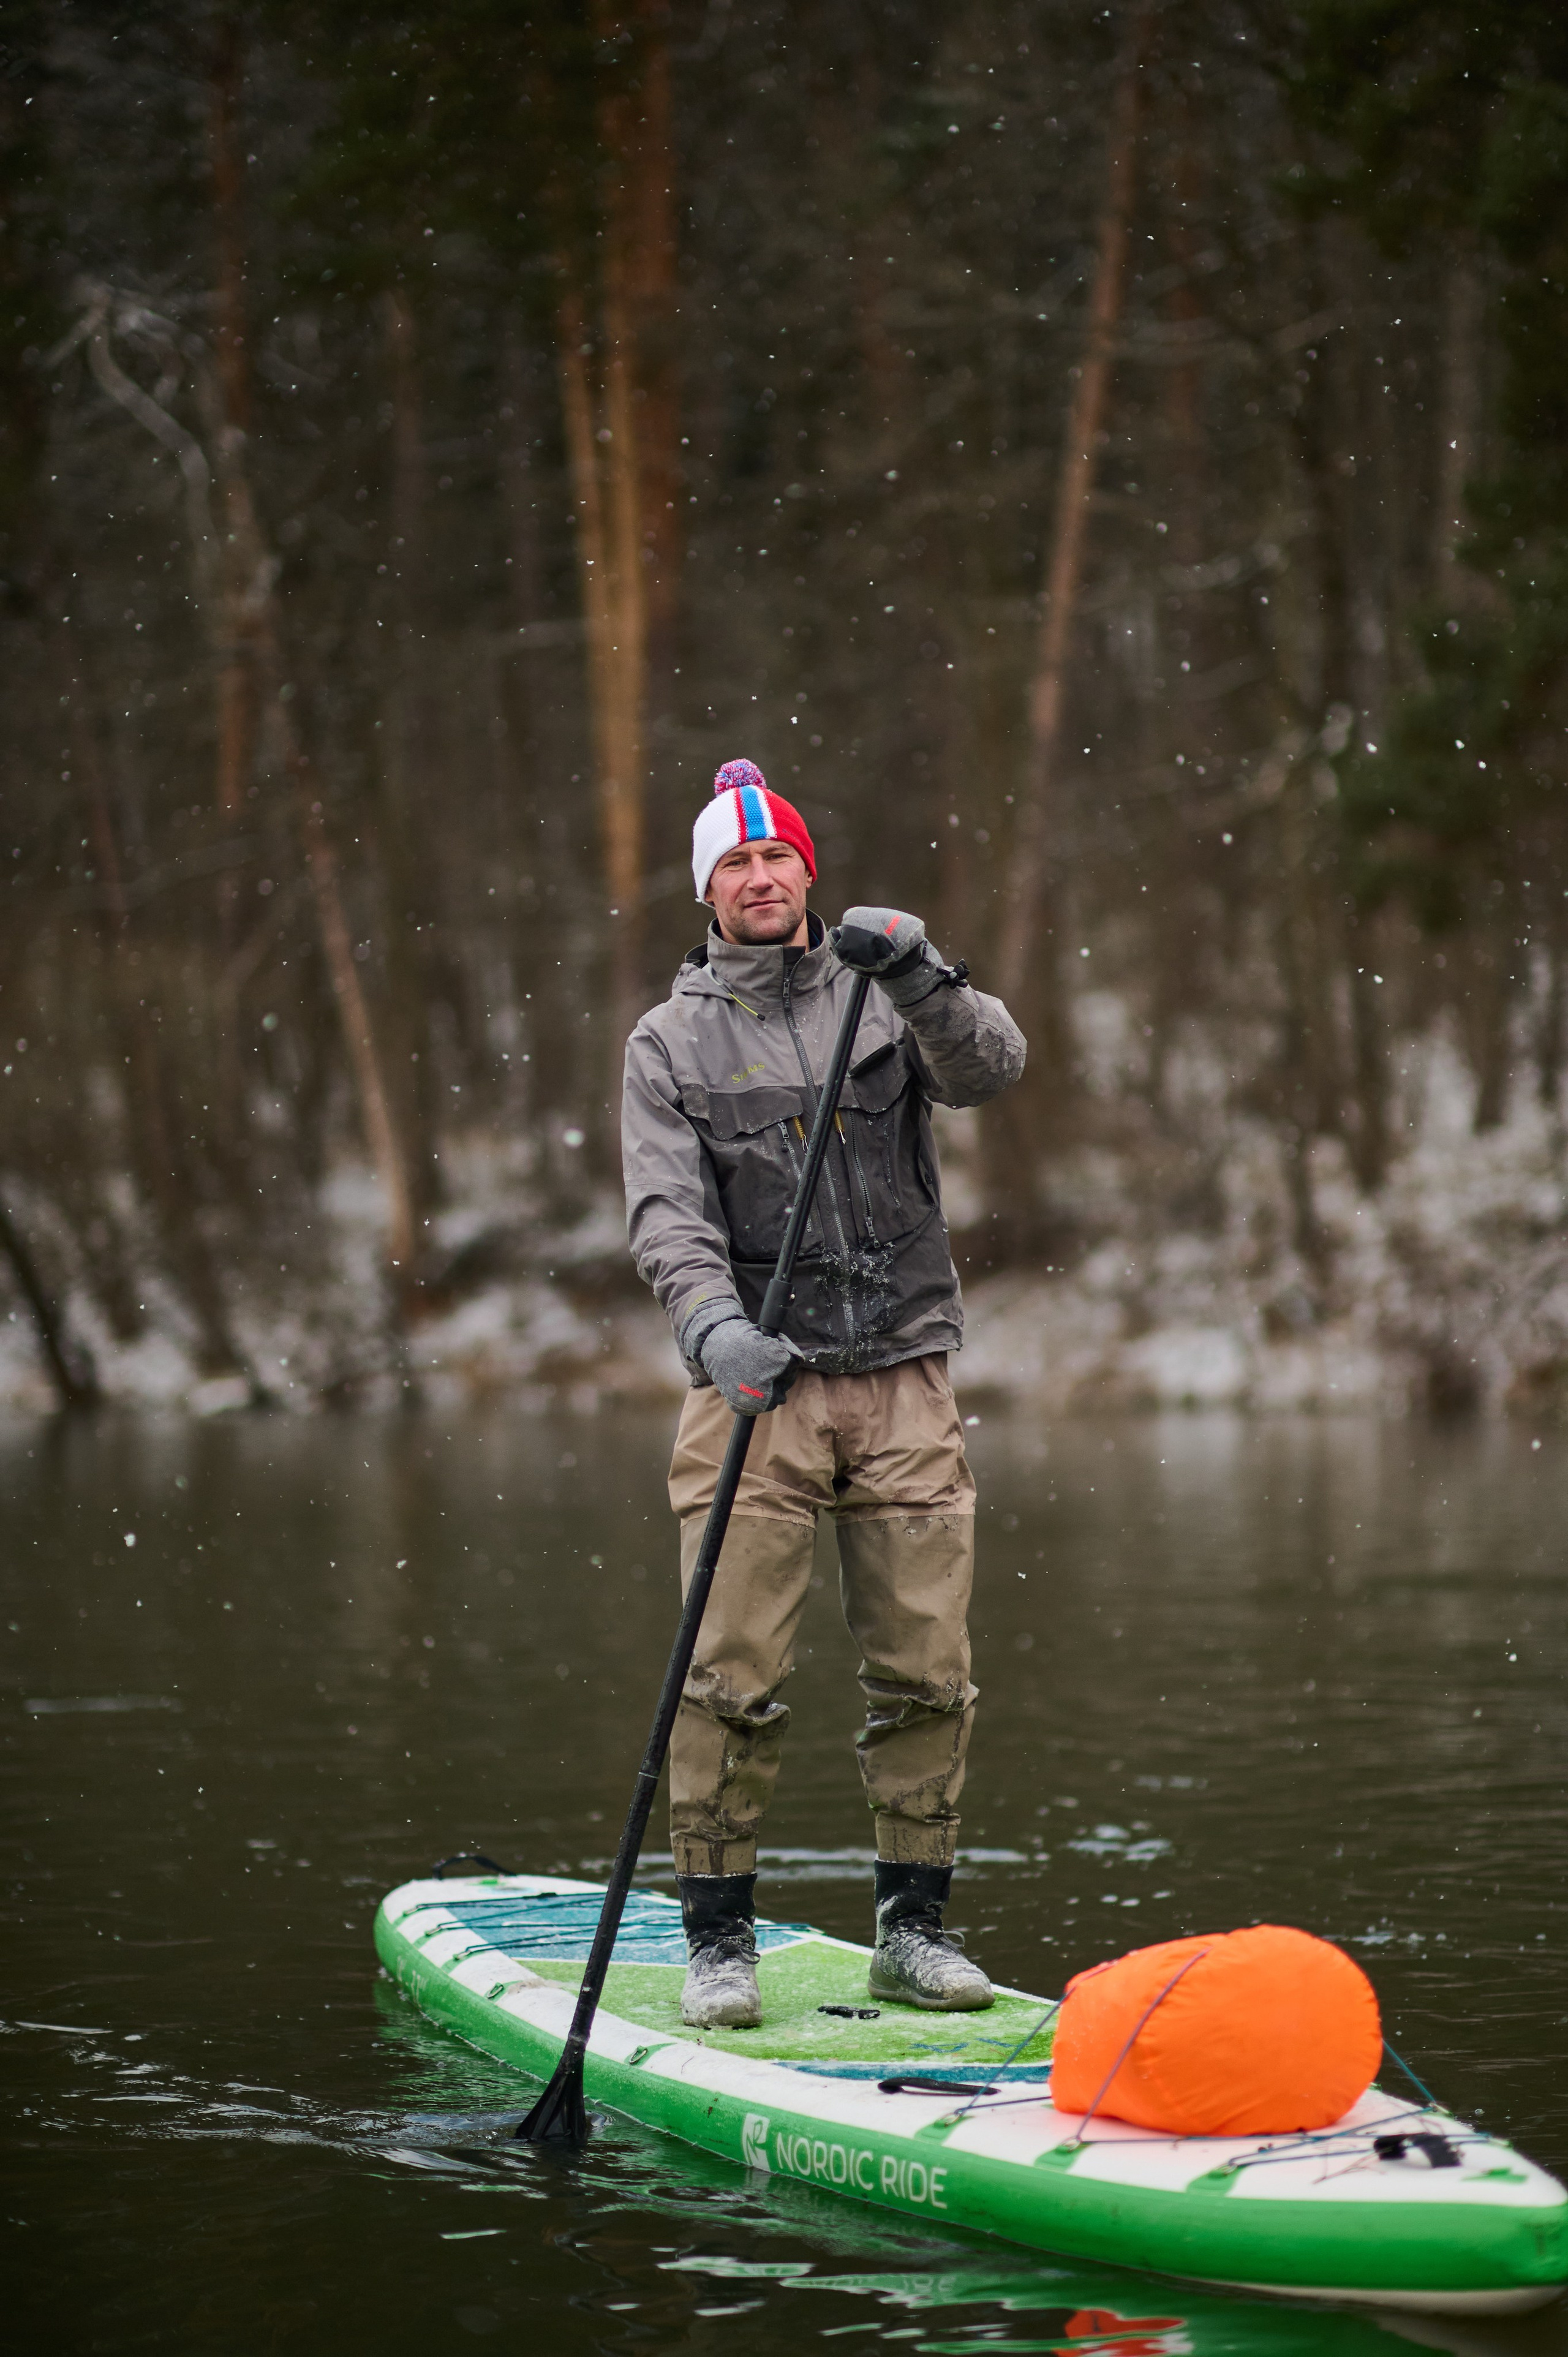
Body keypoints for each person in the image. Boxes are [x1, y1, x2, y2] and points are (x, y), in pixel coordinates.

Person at [622, 758, 1027, 2029]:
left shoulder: (882, 993)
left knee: (926, 1673)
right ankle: (717, 1944)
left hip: (904, 1375)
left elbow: (989, 1069)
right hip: (757, 1394)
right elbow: (662, 1221)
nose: (759, 877)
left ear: (806, 871)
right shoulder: (666, 1041)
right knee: (726, 1675)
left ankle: (911, 1932)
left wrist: (923, 972)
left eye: (776, 857)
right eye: (734, 863)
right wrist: (713, 1330)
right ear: (707, 887)